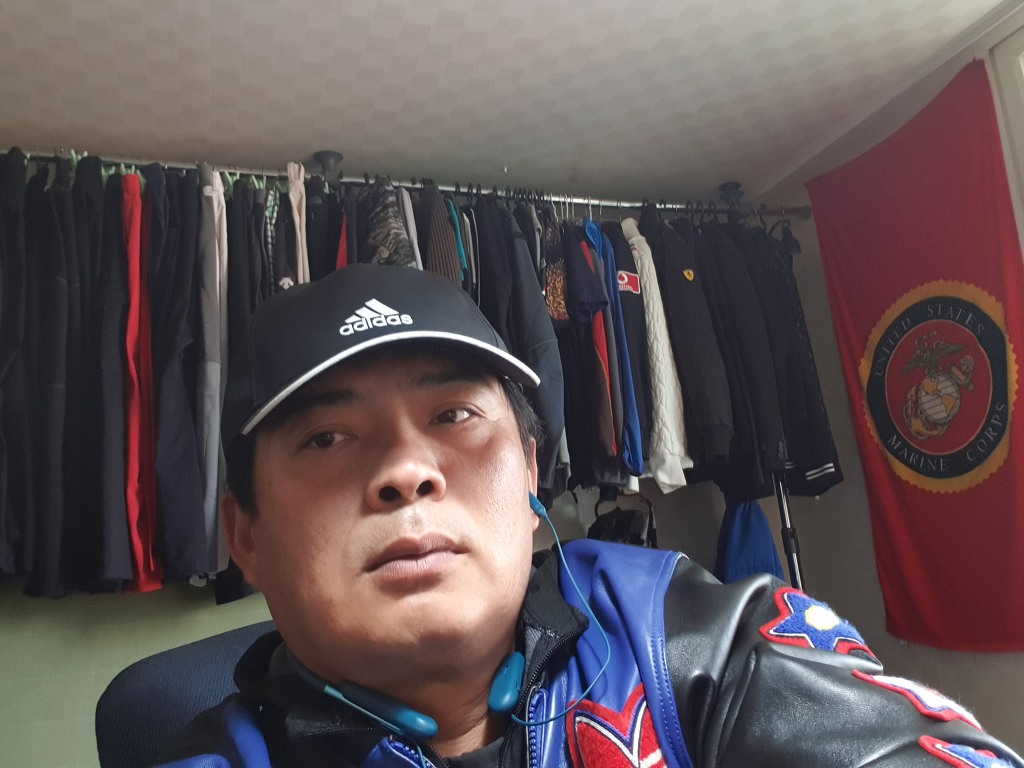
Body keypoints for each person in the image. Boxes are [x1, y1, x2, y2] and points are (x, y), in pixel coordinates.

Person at [157, 263, 1022, 768]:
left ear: (531, 473)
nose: (406, 471)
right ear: (247, 536)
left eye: (453, 415)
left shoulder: (689, 639)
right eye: (327, 438)